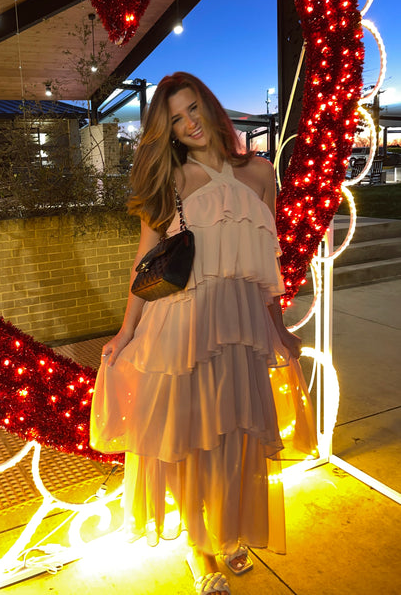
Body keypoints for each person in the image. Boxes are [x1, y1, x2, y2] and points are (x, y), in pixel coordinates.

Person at [90, 72, 316, 595]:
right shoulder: (169, 181)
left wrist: (278, 329)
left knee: (236, 436)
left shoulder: (260, 173)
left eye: (193, 109)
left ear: (210, 107)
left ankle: (229, 527)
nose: (189, 123)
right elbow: (145, 266)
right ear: (166, 131)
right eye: (175, 119)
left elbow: (266, 264)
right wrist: (126, 335)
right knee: (192, 443)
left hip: (241, 331)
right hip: (183, 329)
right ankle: (200, 546)